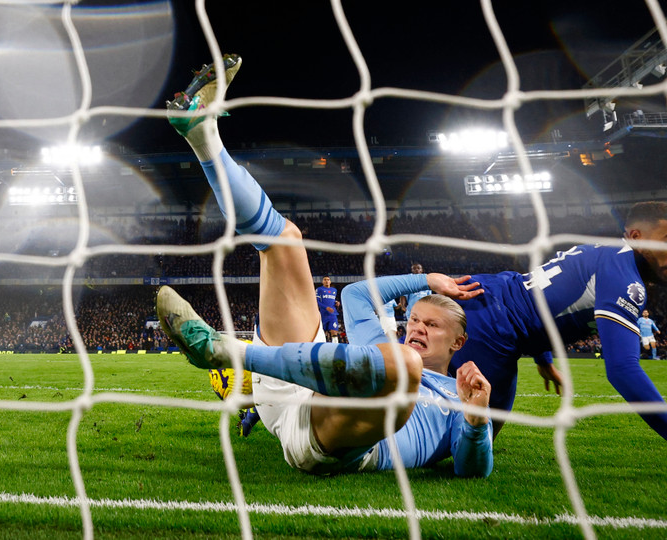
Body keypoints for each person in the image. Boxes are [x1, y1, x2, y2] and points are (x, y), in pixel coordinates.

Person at [159, 54, 492, 477]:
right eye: (415, 320)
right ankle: (202, 133)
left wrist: (476, 422)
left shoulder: (461, 396)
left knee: (403, 366)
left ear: (459, 342)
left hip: (328, 439)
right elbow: (357, 294)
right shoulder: (382, 342)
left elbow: (472, 470)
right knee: (285, 239)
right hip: (296, 388)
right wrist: (426, 279)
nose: (417, 328)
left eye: (432, 325)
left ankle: (224, 351)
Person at [448, 201, 667, 483]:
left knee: (481, 436)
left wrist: (543, 358)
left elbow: (544, 301)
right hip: (488, 322)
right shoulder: (626, 279)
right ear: (637, 237)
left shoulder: (607, 255)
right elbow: (623, 371)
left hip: (491, 306)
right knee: (465, 443)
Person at [316, 276, 340, 343]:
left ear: (330, 281)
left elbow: (332, 300)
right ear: (322, 282)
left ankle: (335, 347)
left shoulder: (334, 290)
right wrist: (326, 307)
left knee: (334, 331)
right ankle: (322, 346)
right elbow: (317, 301)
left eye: (328, 280)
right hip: (323, 314)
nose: (326, 281)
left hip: (333, 314)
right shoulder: (319, 289)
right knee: (323, 332)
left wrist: (336, 302)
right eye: (325, 280)